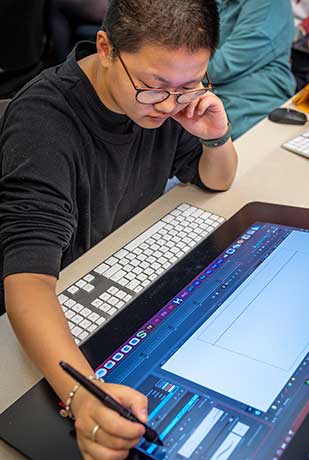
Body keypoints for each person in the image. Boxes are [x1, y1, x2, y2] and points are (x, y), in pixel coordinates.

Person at [0, 1, 237, 459]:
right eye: (153, 87)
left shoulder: (168, 104)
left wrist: (215, 135)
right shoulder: (44, 120)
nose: (169, 105)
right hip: (52, 299)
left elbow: (217, 178)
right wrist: (81, 393)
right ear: (106, 48)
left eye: (189, 86)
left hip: (109, 268)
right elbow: (27, 280)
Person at [207, 0, 296, 140]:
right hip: (207, 94)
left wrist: (172, 62)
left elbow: (223, 66)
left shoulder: (270, 4)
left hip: (248, 105)